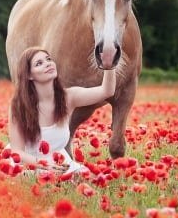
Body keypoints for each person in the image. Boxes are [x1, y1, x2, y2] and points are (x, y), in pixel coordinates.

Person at [6, 46, 116, 174]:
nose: (48, 64)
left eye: (48, 59)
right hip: (28, 164)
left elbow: (106, 91)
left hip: (59, 162)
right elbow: (17, 152)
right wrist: (44, 164)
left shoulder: (69, 97)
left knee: (88, 177)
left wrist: (109, 66)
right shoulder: (18, 106)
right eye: (39, 63)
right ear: (29, 75)